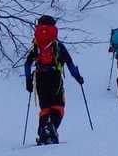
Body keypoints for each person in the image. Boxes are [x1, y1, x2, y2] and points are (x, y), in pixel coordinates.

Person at [24, 15, 84, 144]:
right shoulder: (57, 45)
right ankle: (51, 128)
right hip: (55, 77)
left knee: (45, 108)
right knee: (58, 107)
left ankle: (42, 134)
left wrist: (28, 81)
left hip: (40, 78)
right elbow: (69, 63)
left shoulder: (36, 45)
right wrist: (78, 77)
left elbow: (27, 64)